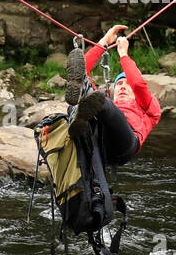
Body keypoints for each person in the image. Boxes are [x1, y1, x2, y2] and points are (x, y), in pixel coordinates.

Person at [64, 24, 161, 165]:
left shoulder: (149, 108)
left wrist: (123, 54)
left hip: (125, 146)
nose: (122, 87)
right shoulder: (101, 104)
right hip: (99, 143)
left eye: (128, 85)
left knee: (101, 101)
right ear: (114, 91)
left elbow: (138, 85)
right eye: (119, 84)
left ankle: (76, 115)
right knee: (85, 90)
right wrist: (104, 41)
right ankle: (77, 121)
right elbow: (81, 74)